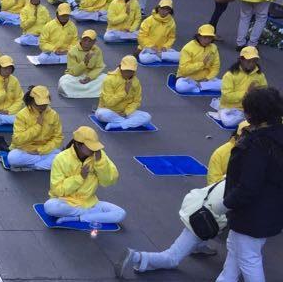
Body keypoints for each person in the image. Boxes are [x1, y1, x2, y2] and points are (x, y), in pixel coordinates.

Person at [215, 87, 283, 282]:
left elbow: (248, 187)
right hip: (270, 211)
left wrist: (224, 204)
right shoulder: (276, 137)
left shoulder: (256, 145)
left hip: (251, 215)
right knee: (233, 259)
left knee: (249, 260)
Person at [117, 179, 226, 277]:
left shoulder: (234, 176)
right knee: (172, 258)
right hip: (203, 221)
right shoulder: (240, 191)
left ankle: (199, 246)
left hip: (197, 208)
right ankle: (136, 257)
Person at [43, 126, 124, 224]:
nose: (93, 149)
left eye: (94, 146)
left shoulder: (99, 156)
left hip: (90, 203)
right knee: (50, 206)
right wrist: (80, 178)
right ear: (77, 144)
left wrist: (100, 163)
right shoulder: (61, 158)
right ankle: (93, 216)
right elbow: (57, 190)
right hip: (66, 203)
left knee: (120, 213)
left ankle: (78, 218)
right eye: (90, 146)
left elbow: (108, 181)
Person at [211, 47, 266, 128]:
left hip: (250, 108)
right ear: (241, 60)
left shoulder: (260, 75)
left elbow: (264, 92)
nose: (251, 64)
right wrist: (247, 93)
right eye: (248, 61)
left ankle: (247, 119)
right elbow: (227, 97)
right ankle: (246, 120)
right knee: (228, 122)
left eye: (254, 61)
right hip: (231, 107)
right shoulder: (230, 75)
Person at [95, 56, 151, 130]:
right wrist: (124, 92)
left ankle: (118, 124)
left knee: (147, 117)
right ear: (120, 67)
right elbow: (109, 102)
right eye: (126, 70)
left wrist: (126, 112)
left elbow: (136, 101)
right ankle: (130, 123)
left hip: (126, 113)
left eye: (131, 71)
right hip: (109, 111)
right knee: (101, 114)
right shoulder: (109, 80)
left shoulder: (136, 82)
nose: (128, 73)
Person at [58, 30, 106, 98]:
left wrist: (89, 77)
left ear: (94, 42)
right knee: (64, 83)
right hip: (75, 77)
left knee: (106, 78)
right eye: (85, 40)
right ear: (81, 39)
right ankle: (91, 92)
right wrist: (85, 62)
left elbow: (99, 67)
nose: (86, 43)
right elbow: (73, 72)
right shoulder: (72, 51)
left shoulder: (97, 50)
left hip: (90, 77)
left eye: (90, 41)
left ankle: (80, 93)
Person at [136, 0, 179, 64]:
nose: (164, 11)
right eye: (162, 8)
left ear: (170, 11)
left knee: (180, 56)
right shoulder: (149, 20)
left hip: (162, 50)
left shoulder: (172, 23)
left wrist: (165, 47)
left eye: (167, 9)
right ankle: (161, 57)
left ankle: (159, 56)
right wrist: (151, 46)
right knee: (144, 59)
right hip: (148, 49)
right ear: (158, 8)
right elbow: (141, 36)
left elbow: (171, 38)